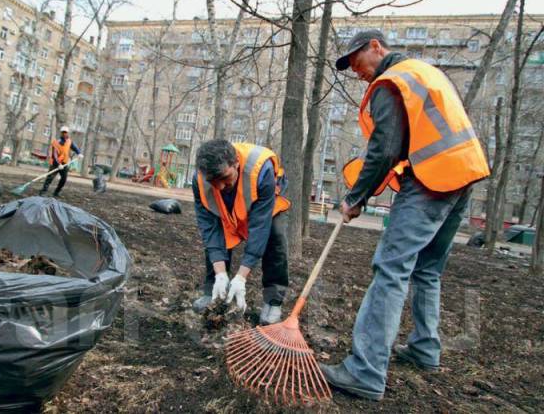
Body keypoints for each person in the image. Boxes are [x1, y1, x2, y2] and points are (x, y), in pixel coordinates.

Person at [319, 30, 490, 401]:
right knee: (427, 269)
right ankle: (425, 349)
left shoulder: (390, 82)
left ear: (376, 47)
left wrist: (356, 197)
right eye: (349, 67)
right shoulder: (423, 72)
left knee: (391, 268)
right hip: (463, 175)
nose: (356, 72)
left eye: (356, 61)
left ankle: (365, 371)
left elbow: (385, 149)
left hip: (432, 181)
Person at [191, 139, 291, 325]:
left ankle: (273, 301)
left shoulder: (262, 170)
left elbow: (260, 228)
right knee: (216, 233)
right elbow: (210, 229)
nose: (219, 187)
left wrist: (241, 278)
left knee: (274, 237)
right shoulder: (200, 180)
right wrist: (221, 274)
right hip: (226, 207)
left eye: (224, 178)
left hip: (266, 199)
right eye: (213, 181)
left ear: (236, 163)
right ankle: (213, 290)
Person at [39, 126, 83, 197]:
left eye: (66, 132)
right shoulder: (56, 142)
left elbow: (75, 148)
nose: (64, 134)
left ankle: (56, 192)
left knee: (64, 179)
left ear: (68, 133)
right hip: (55, 163)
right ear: (61, 133)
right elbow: (54, 155)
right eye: (63, 132)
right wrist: (58, 164)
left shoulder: (69, 141)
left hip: (64, 163)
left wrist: (79, 153)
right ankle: (43, 192)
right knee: (49, 178)